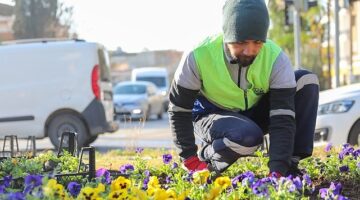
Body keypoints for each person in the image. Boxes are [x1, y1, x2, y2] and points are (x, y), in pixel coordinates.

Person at [168, 0, 319, 177]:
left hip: (252, 113)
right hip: (210, 114)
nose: (249, 50)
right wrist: (190, 158)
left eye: (257, 42)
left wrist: (278, 170)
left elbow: (283, 118)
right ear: (227, 35)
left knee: (306, 81)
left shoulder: (276, 59)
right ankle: (208, 158)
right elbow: (178, 109)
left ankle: (289, 166)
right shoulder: (198, 55)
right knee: (247, 137)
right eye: (241, 42)